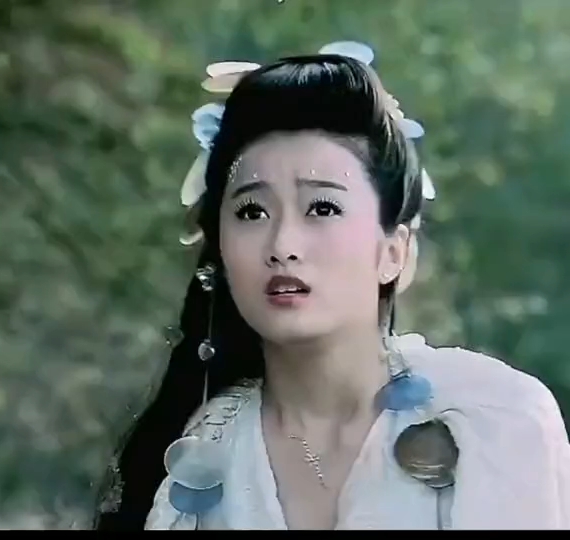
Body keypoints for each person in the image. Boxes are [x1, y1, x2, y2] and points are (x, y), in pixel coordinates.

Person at [95, 42, 570, 530]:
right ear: (220, 249)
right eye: (252, 212)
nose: (283, 245)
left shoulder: (491, 418)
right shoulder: (201, 454)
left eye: (322, 207)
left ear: (394, 252)